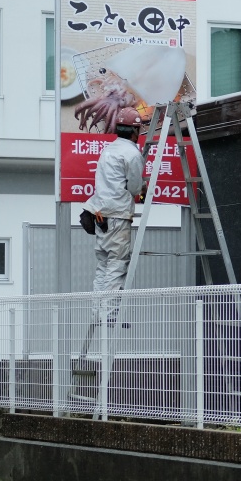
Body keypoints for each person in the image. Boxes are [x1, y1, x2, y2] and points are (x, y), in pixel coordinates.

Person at [83, 106, 146, 324]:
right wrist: (143, 187)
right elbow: (135, 188)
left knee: (103, 264)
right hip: (118, 215)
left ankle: (97, 313)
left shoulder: (108, 150)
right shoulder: (132, 153)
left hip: (101, 215)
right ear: (135, 130)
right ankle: (109, 314)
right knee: (117, 264)